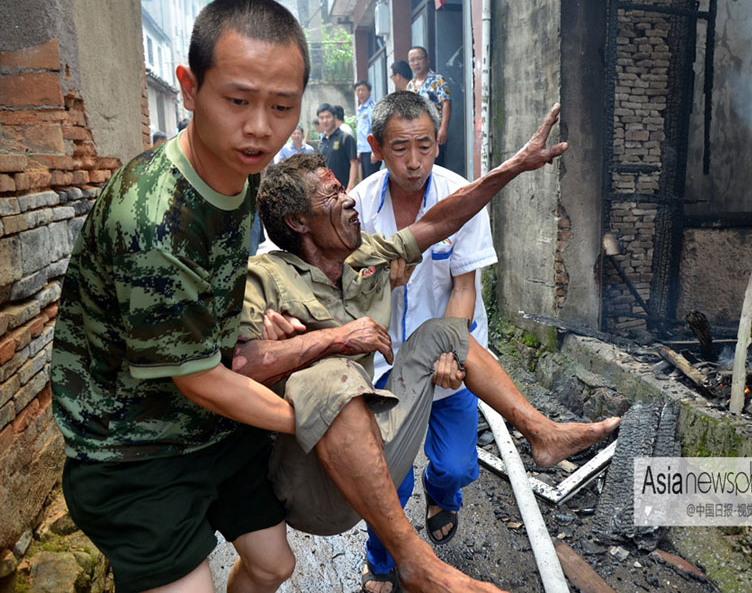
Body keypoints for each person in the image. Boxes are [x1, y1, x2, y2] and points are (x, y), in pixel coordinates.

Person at [233, 106, 620, 593]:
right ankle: (414, 562)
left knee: (444, 333)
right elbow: (242, 365)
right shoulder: (265, 277)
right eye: (332, 194)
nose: (348, 199)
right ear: (298, 222)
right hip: (314, 482)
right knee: (327, 376)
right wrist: (330, 339)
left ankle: (541, 433)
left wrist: (515, 166)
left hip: (375, 437)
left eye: (342, 187)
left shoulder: (364, 253)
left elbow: (441, 221)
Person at [49, 0, 309, 591]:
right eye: (238, 100)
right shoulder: (153, 217)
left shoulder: (239, 175)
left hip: (206, 428)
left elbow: (211, 286)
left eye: (282, 106)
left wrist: (247, 321)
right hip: (131, 450)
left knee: (274, 566)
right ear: (189, 89)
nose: (260, 127)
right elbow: (195, 378)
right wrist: (310, 417)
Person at [351, 89, 494, 587]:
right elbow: (343, 290)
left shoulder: (462, 196)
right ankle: (382, 559)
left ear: (438, 143)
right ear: (376, 145)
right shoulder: (358, 209)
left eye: (425, 146)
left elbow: (464, 285)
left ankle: (442, 493)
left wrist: (453, 350)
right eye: (400, 148)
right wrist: (379, 284)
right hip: (385, 360)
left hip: (447, 354)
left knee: (455, 466)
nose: (414, 162)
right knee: (388, 475)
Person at [407, 47, 450, 165]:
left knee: (436, 165)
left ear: (427, 60)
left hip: (435, 132)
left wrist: (444, 128)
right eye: (412, 60)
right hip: (416, 134)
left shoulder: (438, 80)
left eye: (419, 59)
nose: (416, 63)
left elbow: (446, 103)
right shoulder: (411, 85)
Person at [316, 102, 358, 190]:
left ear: (335, 117)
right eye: (321, 118)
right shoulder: (322, 142)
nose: (325, 121)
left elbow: (354, 163)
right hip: (329, 191)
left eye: (328, 117)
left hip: (345, 189)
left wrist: (350, 187)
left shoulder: (345, 138)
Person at [354, 80, 380, 179]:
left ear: (369, 91)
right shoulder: (361, 109)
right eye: (358, 90)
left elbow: (376, 129)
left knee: (372, 179)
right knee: (365, 180)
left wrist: (375, 151)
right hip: (364, 150)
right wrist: (359, 150)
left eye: (363, 90)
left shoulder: (372, 107)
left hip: (371, 150)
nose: (360, 93)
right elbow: (361, 132)